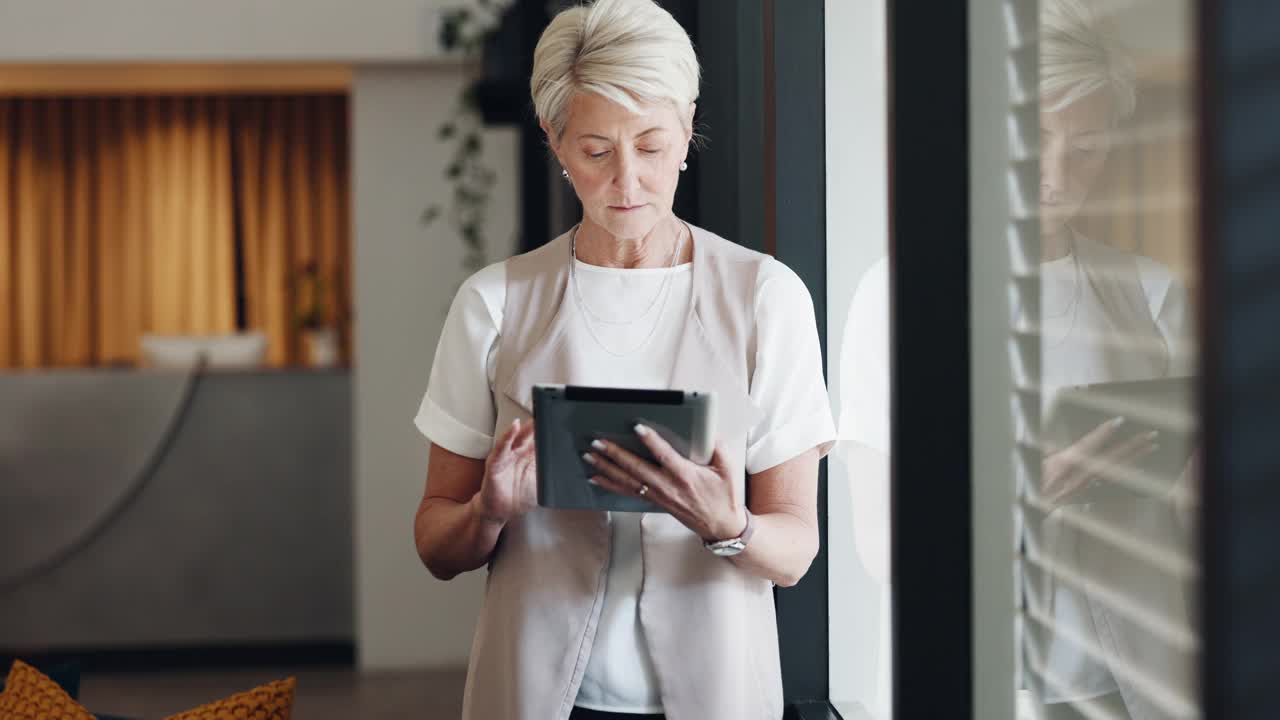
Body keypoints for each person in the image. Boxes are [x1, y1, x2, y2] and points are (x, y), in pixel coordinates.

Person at [411, 1, 836, 718]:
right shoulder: (494, 304)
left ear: (687, 127)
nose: (628, 182)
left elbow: (794, 552)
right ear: (554, 139)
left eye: (650, 144)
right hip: (538, 695)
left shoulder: (767, 299)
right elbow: (435, 541)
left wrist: (727, 524)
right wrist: (489, 511)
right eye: (597, 151)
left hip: (717, 696)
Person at [836, 1, 1197, 718]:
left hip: (1139, 675)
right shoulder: (901, 295)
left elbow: (1194, 507)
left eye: (1087, 146)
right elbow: (883, 549)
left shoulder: (1151, 294)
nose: (1058, 172)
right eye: (1037, 137)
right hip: (987, 677)